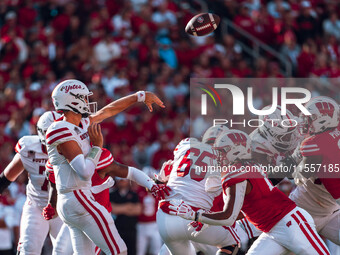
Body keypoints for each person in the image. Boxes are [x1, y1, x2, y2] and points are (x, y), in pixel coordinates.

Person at [45, 79, 167, 255]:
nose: (87, 102)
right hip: (79, 196)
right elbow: (85, 171)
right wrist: (96, 146)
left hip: (72, 201)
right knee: (119, 250)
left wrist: (138, 96)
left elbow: (109, 110)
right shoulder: (60, 128)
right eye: (84, 98)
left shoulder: (79, 125)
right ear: (73, 100)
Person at [169, 129, 330, 255]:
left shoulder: (236, 173)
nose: (218, 156)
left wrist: (196, 215)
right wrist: (206, 221)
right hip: (272, 229)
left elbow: (228, 216)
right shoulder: (246, 168)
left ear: (235, 152)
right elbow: (242, 211)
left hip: (290, 223)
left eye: (222, 151)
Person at [156, 137, 242, 255]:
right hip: (198, 220)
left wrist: (159, 181)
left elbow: (155, 189)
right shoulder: (227, 162)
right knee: (232, 242)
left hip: (166, 216)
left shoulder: (186, 146)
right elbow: (234, 212)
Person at [0, 111, 63, 255]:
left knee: (66, 251)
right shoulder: (29, 148)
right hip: (36, 205)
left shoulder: (74, 148)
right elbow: (6, 178)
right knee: (29, 250)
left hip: (63, 208)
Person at [288, 96, 340, 247]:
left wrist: (294, 162)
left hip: (330, 212)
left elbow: (298, 176)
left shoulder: (314, 145)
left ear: (323, 121)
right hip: (303, 213)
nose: (306, 123)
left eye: (310, 119)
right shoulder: (325, 137)